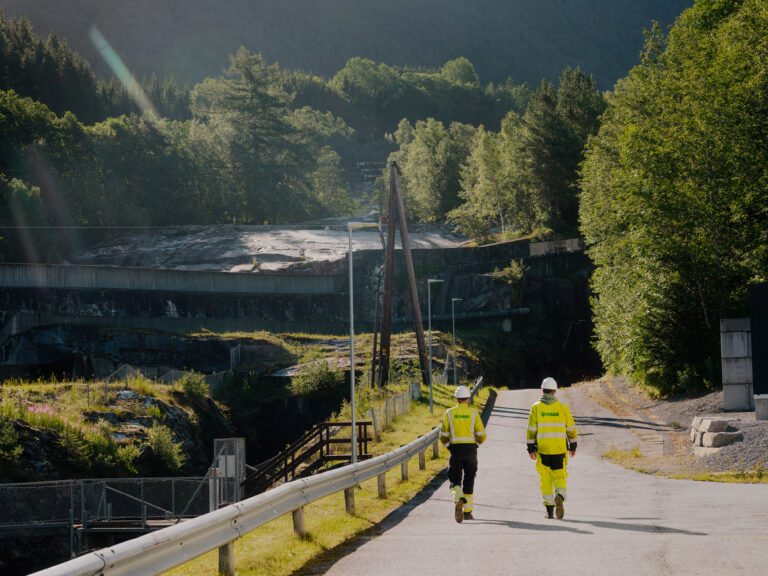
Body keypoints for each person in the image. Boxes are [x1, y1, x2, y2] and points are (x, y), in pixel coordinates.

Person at [526, 377, 577, 519]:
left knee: (546, 480)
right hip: (559, 450)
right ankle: (560, 495)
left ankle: (549, 511)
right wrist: (573, 445)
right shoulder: (562, 407)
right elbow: (571, 429)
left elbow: (531, 430)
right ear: (555, 391)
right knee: (559, 476)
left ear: (542, 391)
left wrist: (531, 449)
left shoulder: (536, 407)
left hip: (543, 450)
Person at [440, 385, 487, 522]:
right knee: (469, 479)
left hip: (456, 450)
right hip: (471, 450)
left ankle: (458, 497)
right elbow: (482, 435)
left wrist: (449, 446)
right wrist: (476, 444)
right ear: (468, 399)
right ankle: (467, 512)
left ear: (456, 399)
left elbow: (443, 435)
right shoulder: (473, 413)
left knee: (455, 478)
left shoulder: (449, 413)